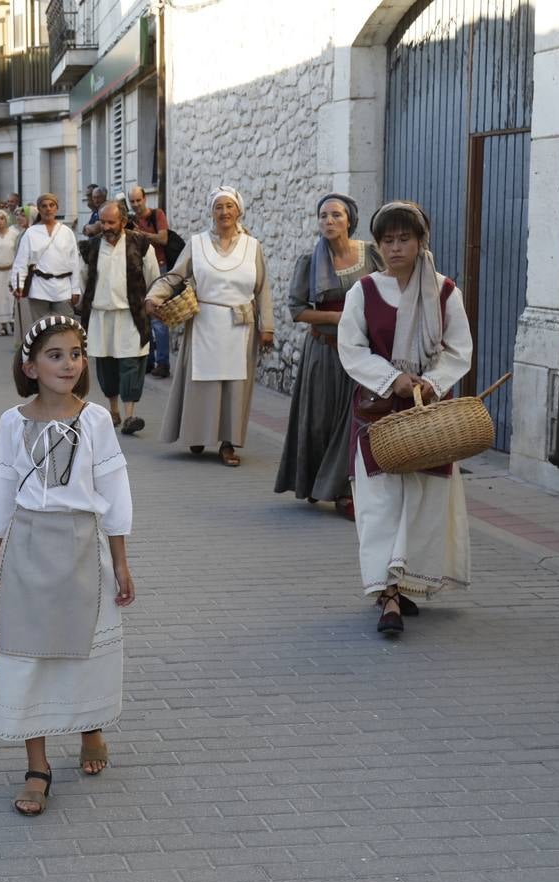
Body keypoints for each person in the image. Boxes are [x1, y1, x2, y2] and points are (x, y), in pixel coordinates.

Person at [0, 315, 135, 817]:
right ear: (31, 365)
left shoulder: (98, 420)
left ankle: (90, 728)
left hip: (85, 547)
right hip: (28, 550)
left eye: (76, 353)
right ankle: (37, 768)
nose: (68, 363)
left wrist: (122, 563)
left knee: (82, 650)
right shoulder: (11, 422)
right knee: (27, 655)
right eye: (55, 355)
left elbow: (115, 493)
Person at [339, 201, 472, 635]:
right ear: (377, 245)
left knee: (420, 503)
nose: (396, 247)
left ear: (420, 241)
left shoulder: (445, 291)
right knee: (380, 506)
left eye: (404, 239)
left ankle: (405, 582)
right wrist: (392, 378)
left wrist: (432, 382)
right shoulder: (364, 291)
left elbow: (458, 350)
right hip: (377, 414)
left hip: (426, 416)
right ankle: (388, 597)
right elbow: (352, 350)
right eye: (388, 240)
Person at [145, 186, 274, 466]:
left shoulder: (253, 246)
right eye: (218, 207)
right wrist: (154, 296)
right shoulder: (197, 243)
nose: (224, 212)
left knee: (235, 387)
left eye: (229, 206)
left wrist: (269, 327)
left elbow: (263, 289)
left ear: (238, 210)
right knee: (202, 383)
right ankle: (198, 434)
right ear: (211, 212)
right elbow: (175, 276)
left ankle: (228, 443)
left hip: (242, 326)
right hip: (204, 321)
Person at [275, 193, 383, 519]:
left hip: (362, 353)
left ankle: (343, 491)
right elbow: (296, 310)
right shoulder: (310, 261)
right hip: (324, 352)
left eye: (336, 215)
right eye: (323, 216)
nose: (329, 221)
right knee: (321, 422)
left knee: (353, 420)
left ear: (350, 219)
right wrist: (338, 319)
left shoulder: (371, 255)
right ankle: (318, 484)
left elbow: (388, 291)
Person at [79, 202, 159, 436]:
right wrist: (79, 298)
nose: (106, 227)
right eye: (102, 222)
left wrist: (152, 300)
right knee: (106, 364)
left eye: (111, 222)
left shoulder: (141, 244)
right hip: (101, 315)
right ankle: (113, 411)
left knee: (131, 363)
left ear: (123, 222)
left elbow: (153, 276)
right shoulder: (90, 247)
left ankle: (130, 415)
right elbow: (82, 277)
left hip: (131, 314)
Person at [9, 193, 81, 336]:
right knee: (41, 330)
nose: (48, 209)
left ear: (56, 208)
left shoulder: (67, 232)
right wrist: (18, 285)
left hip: (63, 288)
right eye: (44, 206)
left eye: (51, 205)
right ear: (39, 210)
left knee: (66, 328)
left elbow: (74, 263)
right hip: (38, 288)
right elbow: (21, 262)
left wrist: (76, 289)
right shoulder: (31, 233)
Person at [129, 185, 173, 379]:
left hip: (159, 269)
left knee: (158, 318)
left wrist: (141, 235)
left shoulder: (157, 214)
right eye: (132, 201)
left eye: (139, 200)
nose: (136, 204)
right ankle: (147, 361)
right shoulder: (129, 220)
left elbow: (163, 239)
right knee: (142, 317)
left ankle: (163, 363)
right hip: (138, 272)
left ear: (145, 198)